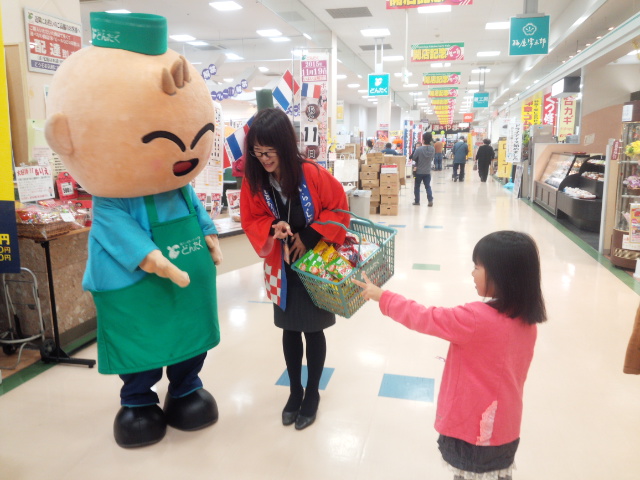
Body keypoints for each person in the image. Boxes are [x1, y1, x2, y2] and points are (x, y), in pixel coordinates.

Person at [44, 12, 223, 448]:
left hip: (187, 287)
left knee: (188, 340)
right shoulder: (112, 198)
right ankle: (138, 400)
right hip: (135, 284)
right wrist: (153, 258)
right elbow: (116, 229)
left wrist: (209, 233)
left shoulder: (179, 186)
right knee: (140, 344)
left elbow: (193, 206)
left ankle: (184, 388)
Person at [353, 231, 547, 480]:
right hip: (506, 430)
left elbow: (425, 317)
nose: (472, 273)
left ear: (502, 274)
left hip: (472, 431)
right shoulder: (527, 322)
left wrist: (383, 297)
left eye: (477, 266)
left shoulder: (476, 319)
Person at [240, 108, 350, 430]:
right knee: (289, 329)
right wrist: (274, 226)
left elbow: (339, 206)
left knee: (314, 330)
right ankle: (295, 390)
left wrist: (311, 233)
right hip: (282, 267)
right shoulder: (256, 181)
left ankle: (313, 392)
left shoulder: (312, 174)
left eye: (269, 151)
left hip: (315, 265)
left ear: (284, 145)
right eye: (257, 152)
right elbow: (252, 218)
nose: (263, 159)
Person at [411, 132, 435, 207]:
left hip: (419, 171)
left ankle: (417, 201)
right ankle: (430, 200)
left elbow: (414, 158)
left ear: (423, 140)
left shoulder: (419, 149)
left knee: (417, 186)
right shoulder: (432, 149)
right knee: (428, 186)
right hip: (427, 171)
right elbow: (431, 158)